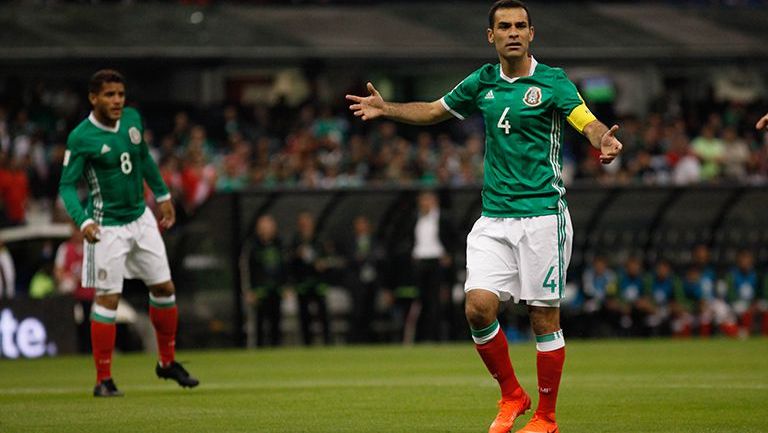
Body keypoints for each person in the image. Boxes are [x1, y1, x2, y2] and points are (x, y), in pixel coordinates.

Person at [346, 2, 623, 432]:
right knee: (477, 308)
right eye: (503, 26)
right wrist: (388, 109)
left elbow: (583, 119)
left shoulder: (553, 81)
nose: (512, 32)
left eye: (519, 26)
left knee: (543, 318)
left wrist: (603, 138)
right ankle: (512, 394)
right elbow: (436, 110)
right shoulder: (482, 81)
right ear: (490, 36)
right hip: (494, 218)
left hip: (543, 216)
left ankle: (547, 418)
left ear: (532, 33)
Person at [59, 69, 199, 397]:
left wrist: (163, 196)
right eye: (109, 95)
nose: (117, 101)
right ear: (93, 98)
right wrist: (83, 221)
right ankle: (103, 379)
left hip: (141, 217)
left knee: (164, 288)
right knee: (108, 298)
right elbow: (67, 186)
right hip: (106, 226)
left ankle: (166, 363)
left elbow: (144, 159)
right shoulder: (81, 137)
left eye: (120, 94)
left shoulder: (133, 119)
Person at [410, 191, 456, 342]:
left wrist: (449, 254)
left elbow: (454, 237)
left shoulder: (443, 218)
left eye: (427, 200)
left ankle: (436, 336)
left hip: (436, 261)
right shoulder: (415, 218)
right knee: (421, 299)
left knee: (435, 300)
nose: (424, 204)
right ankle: (422, 336)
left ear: (434, 201)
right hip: (420, 261)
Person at [54, 224, 95, 353]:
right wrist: (68, 278)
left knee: (88, 322)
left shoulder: (91, 248)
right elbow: (58, 271)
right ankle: (72, 348)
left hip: (88, 293)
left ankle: (87, 349)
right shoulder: (65, 248)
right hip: (71, 294)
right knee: (71, 322)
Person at [247, 214, 286, 347]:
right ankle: (259, 349)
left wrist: (285, 286)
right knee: (260, 323)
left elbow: (285, 267)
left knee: (276, 322)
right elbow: (249, 270)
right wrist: (250, 290)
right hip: (260, 291)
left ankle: (276, 348)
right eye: (263, 226)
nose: (266, 229)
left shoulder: (279, 245)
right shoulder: (253, 247)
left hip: (276, 290)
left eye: (268, 225)